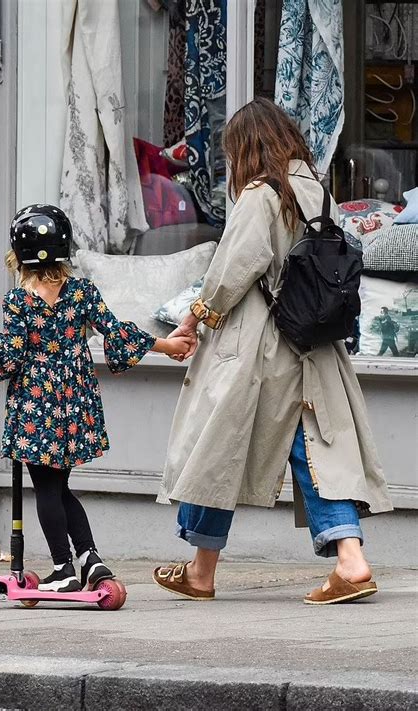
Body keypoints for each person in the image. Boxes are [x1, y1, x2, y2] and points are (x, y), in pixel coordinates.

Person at [153, 99, 393, 605]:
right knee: (317, 451)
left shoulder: (261, 195)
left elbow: (232, 269)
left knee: (218, 446)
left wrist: (195, 318)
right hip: (315, 344)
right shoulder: (316, 191)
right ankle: (347, 560)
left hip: (261, 348)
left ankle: (205, 570)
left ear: (246, 148)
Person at [0, 204, 192, 593]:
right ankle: (90, 560)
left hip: (36, 408)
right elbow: (116, 333)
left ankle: (63, 568)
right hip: (73, 405)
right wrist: (167, 345)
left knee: (47, 490)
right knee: (61, 488)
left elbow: (8, 356)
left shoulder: (18, 303)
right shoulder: (81, 292)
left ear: (19, 255)